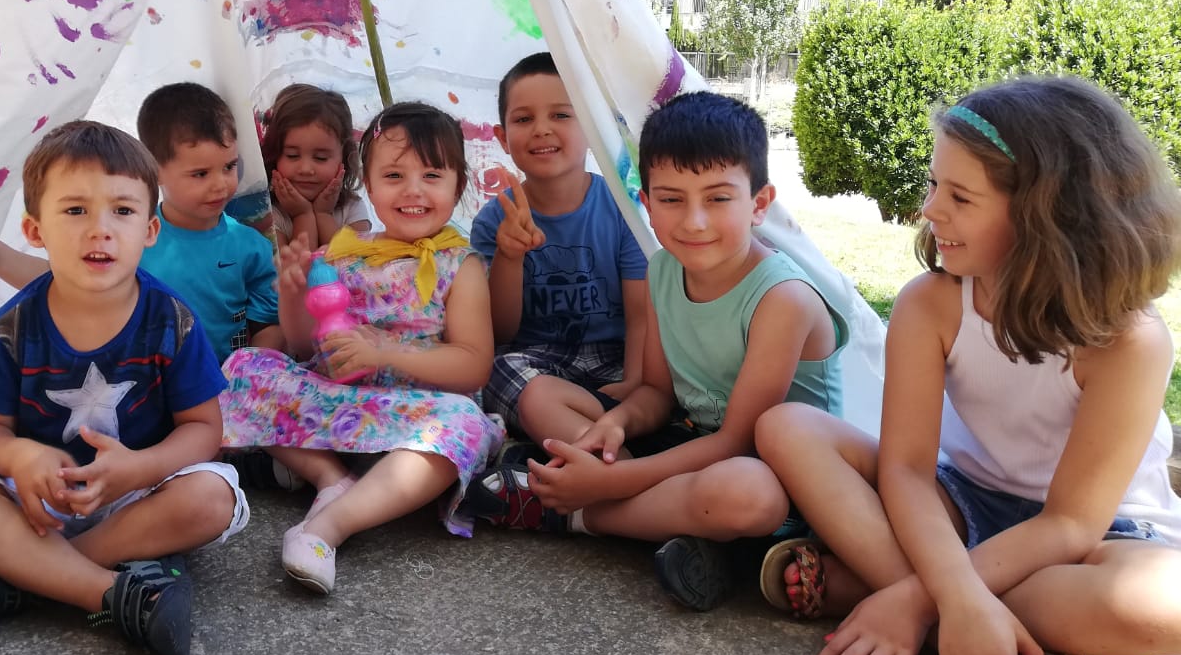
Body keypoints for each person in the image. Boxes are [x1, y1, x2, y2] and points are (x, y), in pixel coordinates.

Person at [754, 76, 1181, 655]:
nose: (929, 210)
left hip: (1097, 540)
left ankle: (886, 596)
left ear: (1048, 217)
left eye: (959, 196)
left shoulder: (1129, 341)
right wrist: (955, 593)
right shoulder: (931, 304)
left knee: (1165, 608)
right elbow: (904, 470)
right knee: (786, 428)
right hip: (961, 502)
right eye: (934, 185)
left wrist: (923, 595)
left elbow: (1070, 524)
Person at [467, 90, 847, 613]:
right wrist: (615, 425)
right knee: (542, 391)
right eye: (671, 200)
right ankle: (682, 532)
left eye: (718, 199)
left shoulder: (783, 298)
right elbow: (656, 394)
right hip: (691, 442)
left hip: (776, 476)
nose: (694, 221)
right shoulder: (664, 270)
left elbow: (737, 441)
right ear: (646, 204)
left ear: (759, 204)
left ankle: (569, 512)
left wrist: (609, 481)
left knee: (747, 495)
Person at [0, 121, 250, 655]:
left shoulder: (171, 320)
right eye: (75, 210)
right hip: (34, 501)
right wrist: (22, 456)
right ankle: (106, 592)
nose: (100, 230)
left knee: (213, 496)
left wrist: (138, 468)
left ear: (150, 229)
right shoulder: (13, 327)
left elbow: (204, 429)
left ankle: (17, 578)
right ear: (35, 229)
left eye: (122, 210)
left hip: (136, 497)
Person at [218, 100, 504, 594]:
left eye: (432, 175)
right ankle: (331, 479)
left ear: (458, 186)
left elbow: (474, 366)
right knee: (242, 367)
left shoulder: (461, 265)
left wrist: (385, 353)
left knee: (464, 424)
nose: (412, 190)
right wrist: (292, 293)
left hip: (418, 417)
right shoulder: (344, 255)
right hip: (344, 406)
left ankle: (327, 528)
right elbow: (303, 346)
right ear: (367, 186)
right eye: (393, 176)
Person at [0, 82, 281, 361]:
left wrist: (245, 376)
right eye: (200, 174)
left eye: (229, 167)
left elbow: (269, 326)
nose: (221, 184)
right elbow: (62, 280)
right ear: (155, 170)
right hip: (143, 388)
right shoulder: (130, 234)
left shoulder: (251, 246)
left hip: (223, 393)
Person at [467, 51, 646, 449]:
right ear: (502, 137)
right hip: (534, 361)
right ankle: (614, 459)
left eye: (561, 115)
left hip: (614, 359)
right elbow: (499, 331)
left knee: (659, 379)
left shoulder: (623, 209)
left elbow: (641, 315)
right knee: (493, 372)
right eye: (523, 119)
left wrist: (635, 380)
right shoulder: (492, 221)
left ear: (591, 126)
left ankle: (593, 449)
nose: (542, 130)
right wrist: (510, 256)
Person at [254, 83, 371, 249]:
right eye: (292, 155)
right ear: (274, 155)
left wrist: (323, 215)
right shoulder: (268, 214)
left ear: (344, 158)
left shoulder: (352, 208)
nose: (306, 169)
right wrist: (302, 215)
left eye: (320, 158)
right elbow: (298, 264)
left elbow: (353, 262)